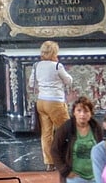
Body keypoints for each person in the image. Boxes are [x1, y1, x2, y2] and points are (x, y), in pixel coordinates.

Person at [31, 40, 74, 168]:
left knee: (46, 134)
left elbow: (31, 84)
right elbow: (69, 81)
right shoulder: (57, 66)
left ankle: (49, 163)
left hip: (41, 102)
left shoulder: (36, 65)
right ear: (54, 52)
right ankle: (69, 159)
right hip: (55, 102)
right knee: (68, 131)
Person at [49, 98, 100, 182]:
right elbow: (54, 150)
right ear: (74, 113)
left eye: (86, 111)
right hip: (75, 177)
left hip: (94, 176)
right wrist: (65, 171)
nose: (82, 114)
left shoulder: (96, 127)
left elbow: (99, 149)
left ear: (91, 113)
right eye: (79, 111)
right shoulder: (66, 128)